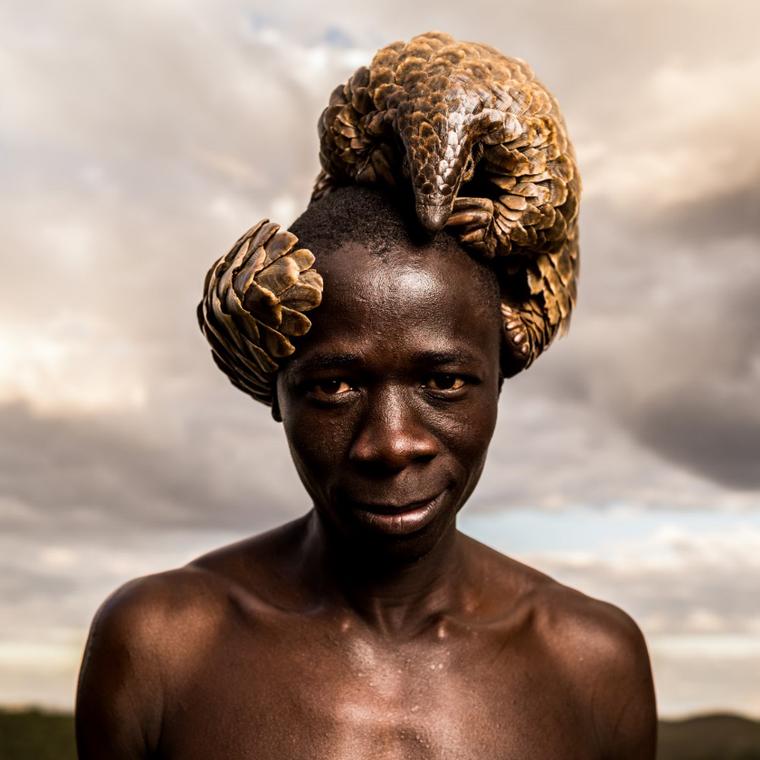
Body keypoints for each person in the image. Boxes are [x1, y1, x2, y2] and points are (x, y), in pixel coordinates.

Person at [76, 185, 657, 759]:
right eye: (333, 387)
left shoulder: (593, 663)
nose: (391, 444)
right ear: (275, 393)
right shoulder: (160, 649)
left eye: (445, 382)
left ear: (499, 380)